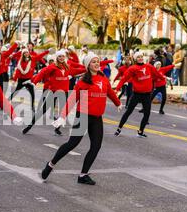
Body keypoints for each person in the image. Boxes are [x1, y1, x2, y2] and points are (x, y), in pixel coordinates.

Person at [40, 53, 122, 185]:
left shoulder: (103, 78)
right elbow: (73, 99)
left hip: (97, 117)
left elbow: (109, 92)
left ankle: (83, 175)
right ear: (88, 65)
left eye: (98, 61)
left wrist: (118, 103)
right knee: (72, 144)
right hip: (83, 115)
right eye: (93, 62)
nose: (96, 63)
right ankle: (50, 164)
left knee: (96, 146)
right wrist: (62, 116)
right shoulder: (84, 81)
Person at [22, 49, 86, 136]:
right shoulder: (52, 67)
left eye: (63, 56)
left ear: (65, 57)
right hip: (54, 92)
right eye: (59, 56)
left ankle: (57, 128)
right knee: (42, 110)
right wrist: (34, 82)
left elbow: (80, 70)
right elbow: (42, 73)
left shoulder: (67, 67)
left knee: (63, 112)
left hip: (64, 93)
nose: (61, 58)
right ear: (56, 57)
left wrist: (90, 67)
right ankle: (29, 126)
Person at [114, 52, 165, 138]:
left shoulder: (149, 66)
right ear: (135, 59)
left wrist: (163, 78)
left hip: (147, 95)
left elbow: (157, 74)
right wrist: (117, 88)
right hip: (136, 94)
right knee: (128, 112)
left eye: (141, 56)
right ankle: (119, 128)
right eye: (138, 57)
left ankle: (140, 131)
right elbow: (124, 78)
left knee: (147, 113)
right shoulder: (132, 68)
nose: (140, 58)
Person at [10, 48, 49, 113]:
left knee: (32, 93)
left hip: (28, 80)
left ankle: (32, 107)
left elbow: (40, 56)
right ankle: (6, 102)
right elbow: (17, 71)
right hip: (21, 80)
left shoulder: (33, 59)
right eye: (24, 53)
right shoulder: (20, 61)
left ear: (29, 53)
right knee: (16, 91)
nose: (26, 54)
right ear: (23, 54)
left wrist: (47, 51)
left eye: (27, 52)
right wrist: (14, 80)